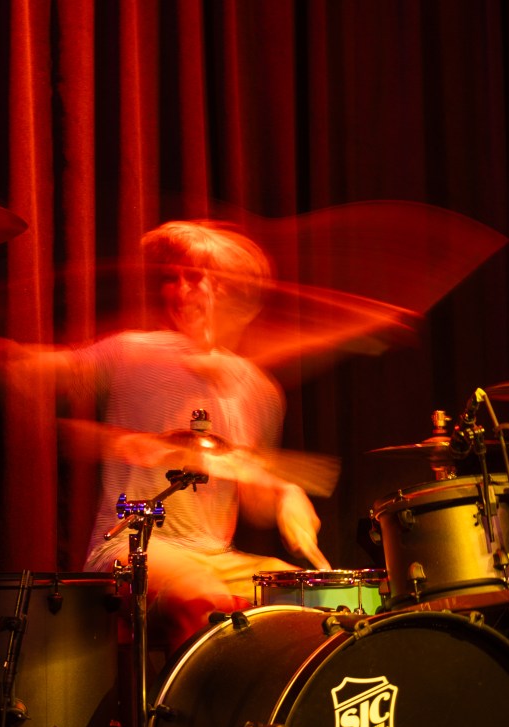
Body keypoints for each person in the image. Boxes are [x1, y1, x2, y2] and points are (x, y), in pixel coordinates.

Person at [62, 220, 332, 654]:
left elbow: (252, 498)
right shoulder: (134, 352)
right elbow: (53, 375)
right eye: (173, 279)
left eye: (198, 279)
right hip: (134, 548)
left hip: (217, 557)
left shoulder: (260, 390)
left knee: (313, 598)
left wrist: (284, 493)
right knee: (202, 597)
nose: (179, 292)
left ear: (238, 297)